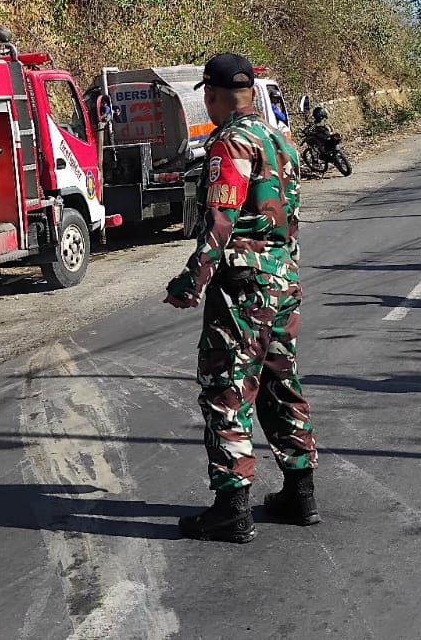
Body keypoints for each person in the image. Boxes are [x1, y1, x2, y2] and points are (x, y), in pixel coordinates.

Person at [164, 52, 316, 543]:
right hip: (284, 281)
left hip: (244, 288)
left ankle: (232, 509)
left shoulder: (229, 143)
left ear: (210, 95)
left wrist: (194, 279)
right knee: (280, 382)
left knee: (228, 388)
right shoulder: (280, 140)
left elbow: (220, 221)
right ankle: (300, 493)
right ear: (252, 92)